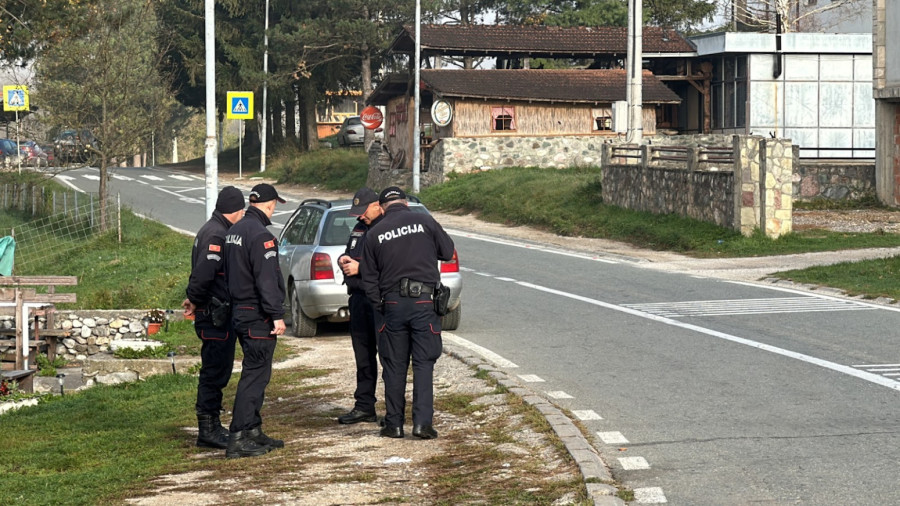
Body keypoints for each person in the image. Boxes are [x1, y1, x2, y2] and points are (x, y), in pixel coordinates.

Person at [361, 186, 455, 439]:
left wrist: (380, 304)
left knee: (394, 364)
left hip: (392, 305)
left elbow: (369, 278)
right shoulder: (424, 220)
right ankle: (422, 424)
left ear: (381, 207)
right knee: (424, 364)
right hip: (424, 303)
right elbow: (447, 252)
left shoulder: (375, 233)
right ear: (405, 202)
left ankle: (394, 424)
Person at [223, 183, 287, 458]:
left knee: (256, 372)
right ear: (270, 204)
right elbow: (267, 279)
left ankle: (252, 430)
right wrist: (276, 315)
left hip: (238, 310)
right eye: (274, 206)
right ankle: (238, 437)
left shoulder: (233, 232)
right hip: (257, 314)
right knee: (255, 375)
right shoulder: (261, 236)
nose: (274, 211)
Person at [182, 186, 245, 449]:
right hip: (215, 315)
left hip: (211, 312)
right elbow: (204, 274)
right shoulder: (218, 235)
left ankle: (212, 425)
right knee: (215, 370)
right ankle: (208, 429)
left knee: (216, 368)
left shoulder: (210, 228)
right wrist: (194, 299)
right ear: (237, 210)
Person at [336, 187, 383, 425]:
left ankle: (395, 410)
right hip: (358, 299)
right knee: (363, 357)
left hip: (379, 301)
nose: (359, 216)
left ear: (377, 205)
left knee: (389, 357)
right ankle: (364, 405)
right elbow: (350, 252)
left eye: (362, 211)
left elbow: (390, 265)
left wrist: (360, 268)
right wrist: (343, 260)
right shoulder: (360, 227)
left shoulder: (386, 228)